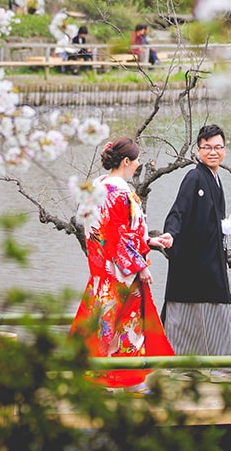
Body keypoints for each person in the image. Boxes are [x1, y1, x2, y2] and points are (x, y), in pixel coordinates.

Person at [69, 138, 174, 393]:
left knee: (101, 325)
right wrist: (142, 267)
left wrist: (150, 240)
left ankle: (95, 379)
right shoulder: (123, 192)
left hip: (102, 271)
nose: (138, 165)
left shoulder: (96, 186)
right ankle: (130, 382)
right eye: (136, 160)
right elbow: (123, 237)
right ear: (126, 162)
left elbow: (108, 232)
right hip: (123, 274)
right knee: (129, 326)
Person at [161, 124, 231, 382]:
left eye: (217, 147)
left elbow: (209, 219)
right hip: (191, 258)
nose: (212, 152)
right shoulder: (194, 177)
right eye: (207, 147)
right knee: (186, 311)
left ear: (224, 150)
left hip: (209, 258)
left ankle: (223, 366)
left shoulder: (215, 178)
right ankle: (184, 366)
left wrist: (222, 238)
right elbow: (179, 211)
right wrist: (170, 234)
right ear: (198, 150)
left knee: (216, 309)